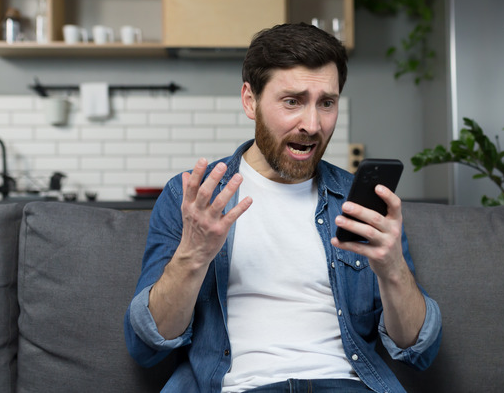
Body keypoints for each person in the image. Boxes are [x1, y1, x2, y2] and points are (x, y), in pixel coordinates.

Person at [124, 23, 442, 393]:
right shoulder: (192, 198)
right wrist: (193, 257)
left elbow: (419, 350)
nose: (312, 125)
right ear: (250, 100)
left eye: (327, 103)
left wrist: (392, 269)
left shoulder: (360, 201)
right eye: (292, 101)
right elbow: (147, 345)